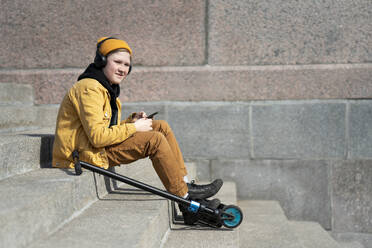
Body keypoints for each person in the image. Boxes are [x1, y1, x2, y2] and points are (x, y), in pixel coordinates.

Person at [52, 37, 223, 224]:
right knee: (154, 140)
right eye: (117, 62)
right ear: (101, 61)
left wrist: (131, 121)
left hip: (92, 147)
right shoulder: (90, 89)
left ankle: (185, 184)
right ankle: (187, 201)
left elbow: (105, 128)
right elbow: (97, 138)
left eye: (126, 65)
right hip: (82, 155)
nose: (123, 69)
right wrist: (134, 127)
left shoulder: (105, 87)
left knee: (160, 127)